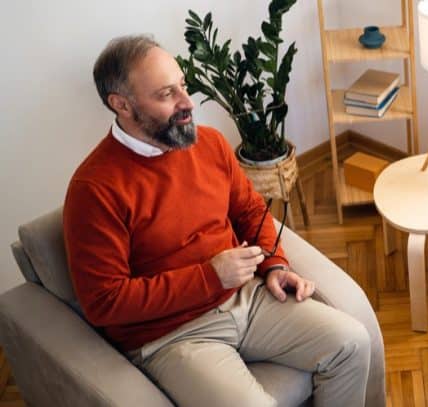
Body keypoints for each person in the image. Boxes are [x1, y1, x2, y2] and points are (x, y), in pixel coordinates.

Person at [63, 35, 371, 406]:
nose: (187, 102)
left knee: (352, 341)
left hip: (247, 298)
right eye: (166, 94)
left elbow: (250, 211)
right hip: (172, 335)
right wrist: (209, 277)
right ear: (122, 105)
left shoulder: (209, 143)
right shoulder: (94, 189)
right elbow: (105, 302)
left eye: (183, 86)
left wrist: (275, 265)